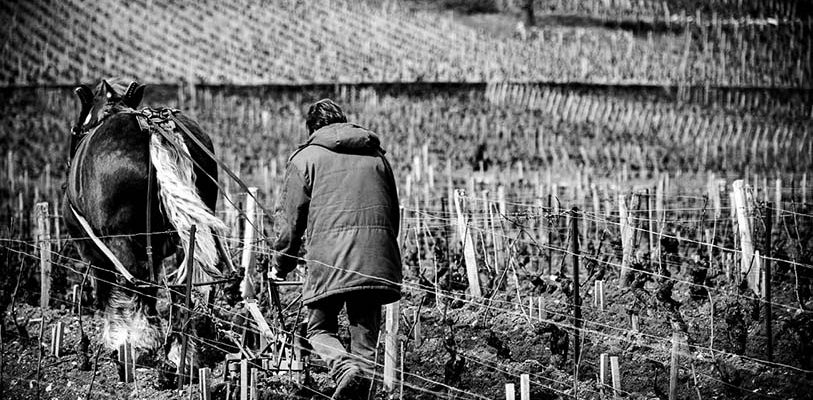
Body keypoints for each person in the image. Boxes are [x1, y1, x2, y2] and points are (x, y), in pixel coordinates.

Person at [270, 99, 402, 399]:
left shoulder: (306, 158)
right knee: (365, 340)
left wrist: (281, 263)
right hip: (375, 259)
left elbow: (291, 222)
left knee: (319, 329)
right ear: (343, 120)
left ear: (313, 128)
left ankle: (343, 368)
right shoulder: (378, 157)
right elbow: (393, 214)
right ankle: (359, 383)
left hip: (330, 261)